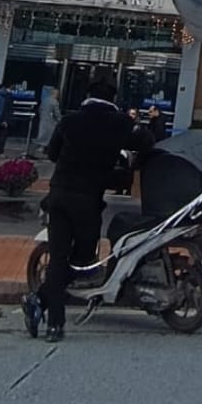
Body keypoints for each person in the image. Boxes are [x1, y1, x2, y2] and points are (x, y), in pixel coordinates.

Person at [25, 74, 158, 342]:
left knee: (58, 258)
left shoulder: (70, 120)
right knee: (84, 259)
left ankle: (53, 323)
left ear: (88, 95)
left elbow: (52, 153)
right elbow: (146, 141)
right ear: (113, 96)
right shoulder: (120, 123)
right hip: (87, 200)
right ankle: (39, 300)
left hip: (59, 195)